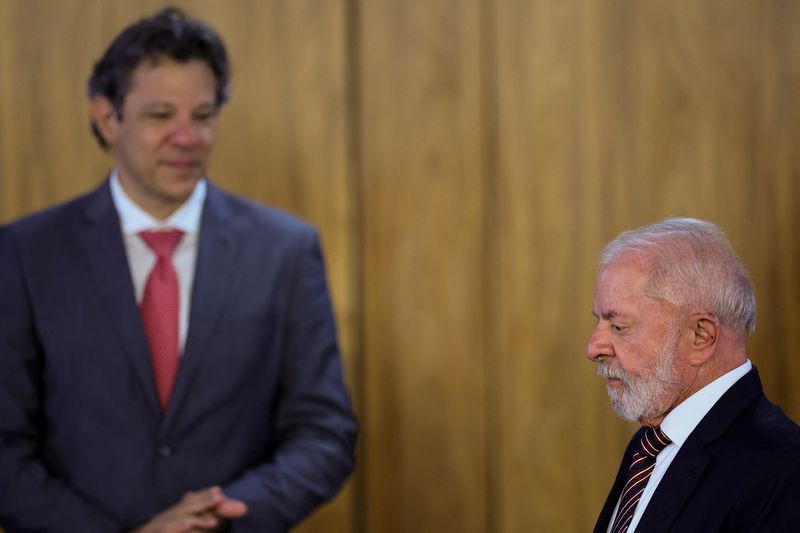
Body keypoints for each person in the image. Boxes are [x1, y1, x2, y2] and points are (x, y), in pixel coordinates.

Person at [0, 7, 357, 532]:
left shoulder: (284, 250)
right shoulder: (26, 254)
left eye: (203, 116)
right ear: (107, 118)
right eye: (161, 115)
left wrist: (217, 518)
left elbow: (324, 433)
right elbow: (5, 445)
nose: (186, 137)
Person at [586, 217, 800, 532]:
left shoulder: (783, 471)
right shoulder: (648, 444)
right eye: (599, 322)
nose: (593, 348)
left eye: (619, 326)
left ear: (701, 336)